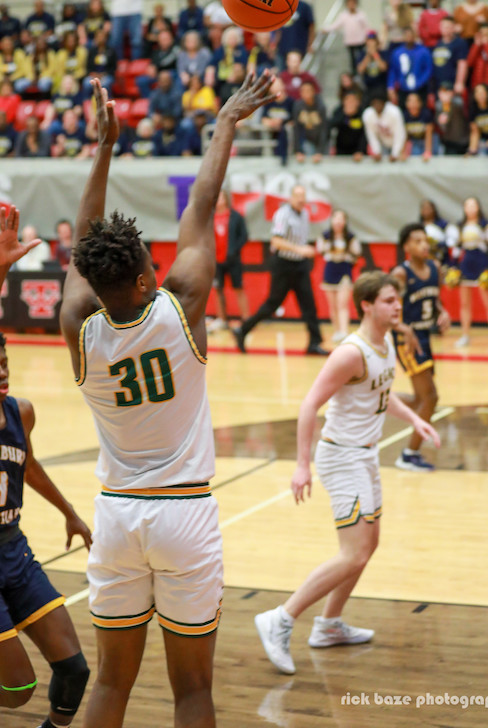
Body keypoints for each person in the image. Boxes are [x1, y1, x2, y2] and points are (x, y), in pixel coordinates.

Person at [59, 72, 276, 728]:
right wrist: (226, 124)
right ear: (148, 275)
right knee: (191, 692)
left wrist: (103, 148)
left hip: (117, 517)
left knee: (110, 688)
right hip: (183, 512)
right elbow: (201, 208)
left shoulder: (78, 326)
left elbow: (82, 239)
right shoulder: (181, 305)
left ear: (91, 281)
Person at [254, 271, 440, 675]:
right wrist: (302, 465)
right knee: (353, 551)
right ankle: (280, 619)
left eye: (398, 299)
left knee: (367, 546)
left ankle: (328, 625)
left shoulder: (385, 342)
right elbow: (308, 406)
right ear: (367, 305)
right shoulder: (349, 353)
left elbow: (382, 393)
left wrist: (414, 420)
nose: (397, 306)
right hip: (341, 458)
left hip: (366, 457)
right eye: (389, 300)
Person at [0, 213, 93, 728]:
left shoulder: (21, 412)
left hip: (14, 548)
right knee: (16, 689)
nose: (3, 365)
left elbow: (29, 466)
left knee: (74, 672)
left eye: (5, 356)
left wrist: (72, 513)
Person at [233, 185, 327, 356]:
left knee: (309, 305)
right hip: (283, 265)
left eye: (303, 196)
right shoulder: (283, 214)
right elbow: (276, 241)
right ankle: (243, 330)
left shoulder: (305, 214)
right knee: (272, 304)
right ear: (290, 198)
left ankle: (314, 342)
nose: (300, 199)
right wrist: (300, 249)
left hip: (300, 266)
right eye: (297, 195)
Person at [391, 223, 450, 471]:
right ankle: (409, 453)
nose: (423, 245)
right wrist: (405, 330)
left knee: (420, 398)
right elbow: (387, 311)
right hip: (408, 340)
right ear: (406, 247)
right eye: (417, 241)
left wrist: (443, 311)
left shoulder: (435, 268)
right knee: (431, 397)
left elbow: (433, 299)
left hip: (425, 336)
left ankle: (378, 399)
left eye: (425, 240)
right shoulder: (400, 274)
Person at [448, 197, 488, 349]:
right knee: (464, 303)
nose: (470, 208)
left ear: (478, 207)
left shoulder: (485, 225)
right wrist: (453, 266)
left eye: (473, 205)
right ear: (464, 208)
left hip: (482, 264)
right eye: (467, 205)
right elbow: (457, 248)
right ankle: (465, 335)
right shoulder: (460, 225)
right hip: (466, 265)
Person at [316, 210, 361, 342]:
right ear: (331, 220)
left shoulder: (350, 237)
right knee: (333, 305)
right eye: (336, 218)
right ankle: (336, 331)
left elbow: (357, 253)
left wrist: (348, 253)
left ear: (345, 222)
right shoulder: (325, 236)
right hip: (330, 269)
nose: (338, 222)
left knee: (342, 304)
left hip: (344, 270)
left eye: (341, 219)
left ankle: (344, 331)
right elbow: (320, 250)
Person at [209, 186, 249, 332]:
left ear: (226, 199)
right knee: (218, 289)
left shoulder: (235, 217)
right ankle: (222, 319)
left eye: (222, 197)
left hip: (233, 260)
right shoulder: (210, 217)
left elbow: (244, 236)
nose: (219, 200)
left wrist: (234, 250)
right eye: (217, 198)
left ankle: (246, 319)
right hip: (216, 260)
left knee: (239, 288)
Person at [321, 0, 370, 74]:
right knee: (352, 62)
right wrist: (326, 29)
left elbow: (366, 28)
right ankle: (355, 75)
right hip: (350, 43)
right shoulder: (343, 15)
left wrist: (368, 38)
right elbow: (336, 25)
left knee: (361, 59)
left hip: (360, 42)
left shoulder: (361, 15)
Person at [387, 27, 433, 108]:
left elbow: (428, 70)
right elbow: (393, 71)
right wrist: (391, 86)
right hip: (403, 88)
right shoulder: (397, 53)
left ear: (415, 36)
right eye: (406, 35)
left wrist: (419, 82)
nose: (409, 37)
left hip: (420, 88)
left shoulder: (423, 51)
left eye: (411, 35)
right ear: (403, 37)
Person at [362, 90, 406, 161]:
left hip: (398, 144)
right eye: (374, 103)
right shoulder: (368, 115)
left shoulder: (394, 112)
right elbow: (371, 135)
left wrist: (395, 153)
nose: (377, 106)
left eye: (379, 103)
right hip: (383, 144)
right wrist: (377, 151)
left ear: (384, 103)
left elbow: (400, 134)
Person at [431, 16, 468, 94]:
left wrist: (459, 82)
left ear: (453, 28)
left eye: (448, 27)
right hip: (439, 82)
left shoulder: (459, 43)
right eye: (443, 27)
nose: (445, 29)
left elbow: (462, 63)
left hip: (452, 83)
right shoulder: (438, 43)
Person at [293, 81, 328, 162]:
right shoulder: (298, 106)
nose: (306, 93)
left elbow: (324, 129)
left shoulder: (321, 106)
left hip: (320, 140)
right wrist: (298, 151)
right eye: (303, 91)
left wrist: (319, 151)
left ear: (313, 92)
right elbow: (297, 129)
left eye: (308, 90)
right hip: (307, 141)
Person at [434, 81, 469, 155]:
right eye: (441, 91)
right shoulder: (438, 105)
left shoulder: (458, 101)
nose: (444, 94)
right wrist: (441, 122)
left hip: (463, 140)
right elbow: (442, 127)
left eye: (447, 91)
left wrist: (449, 101)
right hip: (449, 142)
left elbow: (460, 106)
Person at [330, 89, 366, 160]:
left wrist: (360, 151)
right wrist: (344, 114)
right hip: (341, 148)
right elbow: (331, 125)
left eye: (353, 100)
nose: (350, 103)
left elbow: (364, 134)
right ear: (344, 102)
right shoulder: (339, 111)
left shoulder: (363, 113)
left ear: (358, 102)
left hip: (357, 150)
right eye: (348, 100)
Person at [401, 91, 435, 160]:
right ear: (406, 104)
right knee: (415, 154)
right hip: (415, 140)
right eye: (410, 101)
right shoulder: (404, 116)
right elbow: (404, 135)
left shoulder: (426, 114)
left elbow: (429, 134)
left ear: (420, 103)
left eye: (415, 101)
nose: (413, 104)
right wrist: (403, 152)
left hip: (428, 140)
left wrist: (428, 151)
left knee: (432, 155)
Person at [419, 199, 449, 265]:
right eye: (423, 208)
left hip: (440, 256)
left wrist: (438, 244)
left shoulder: (442, 224)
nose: (426, 211)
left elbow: (449, 240)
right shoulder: (418, 225)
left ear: (433, 210)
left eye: (428, 208)